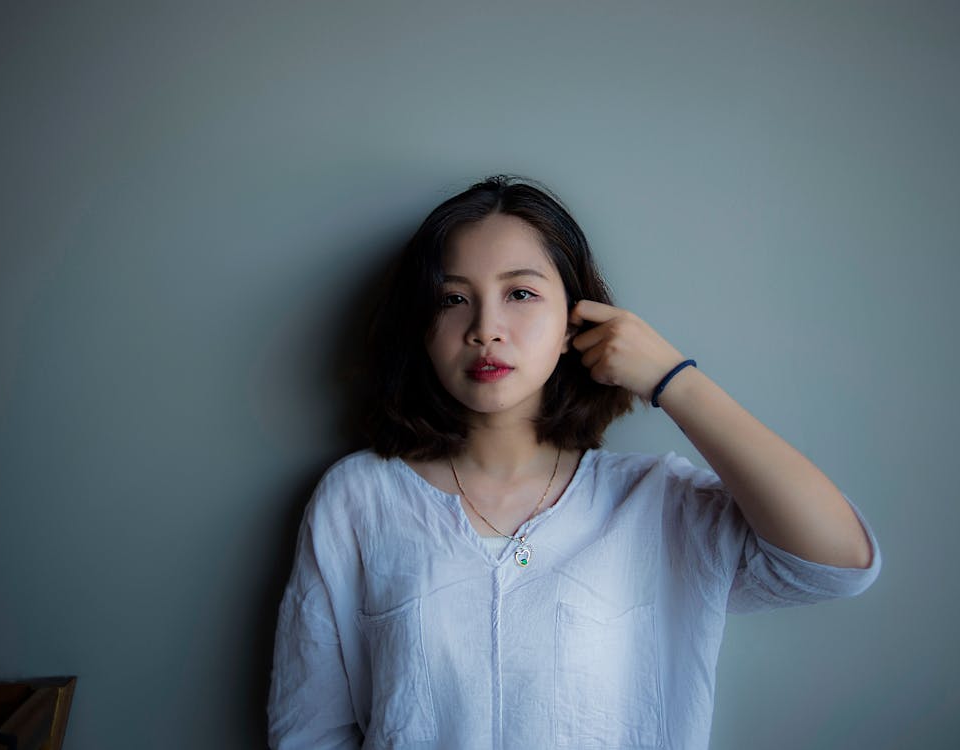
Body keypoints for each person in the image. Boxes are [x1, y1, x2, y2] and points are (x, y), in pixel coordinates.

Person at [267, 176, 880, 749]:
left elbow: (837, 563)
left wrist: (674, 381)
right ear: (422, 328)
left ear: (573, 321)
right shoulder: (358, 499)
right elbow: (309, 729)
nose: (486, 328)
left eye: (521, 293)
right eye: (454, 298)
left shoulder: (656, 504)